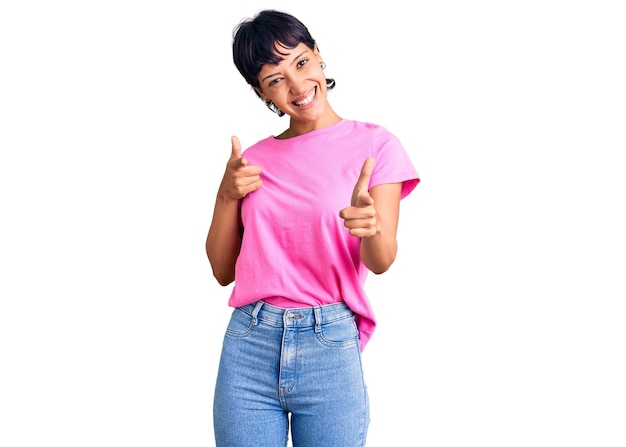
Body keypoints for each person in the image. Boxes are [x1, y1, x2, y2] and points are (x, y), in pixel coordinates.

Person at [206, 9, 420, 447]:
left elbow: (381, 261)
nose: (298, 86)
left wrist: (370, 227)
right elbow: (222, 270)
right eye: (275, 79)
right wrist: (226, 195)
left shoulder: (376, 145)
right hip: (249, 343)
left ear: (319, 56)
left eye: (301, 63)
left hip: (329, 341)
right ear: (259, 91)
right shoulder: (253, 160)